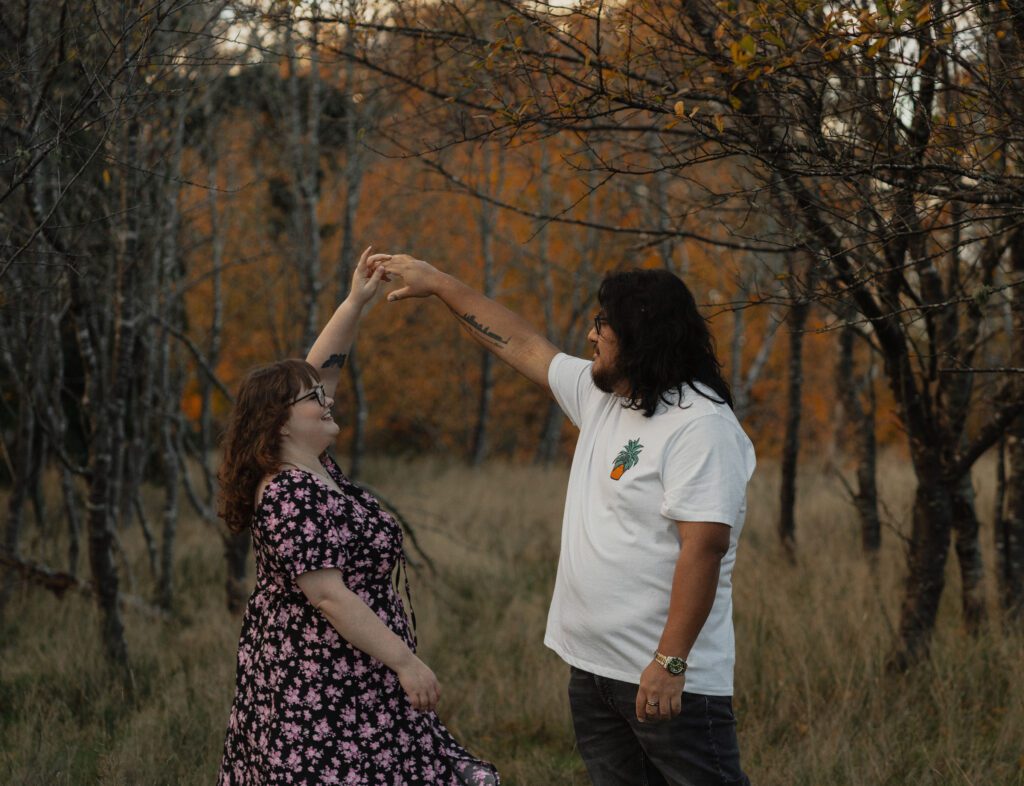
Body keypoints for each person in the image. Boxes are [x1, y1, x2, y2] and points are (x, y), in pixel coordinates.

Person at [380, 256, 755, 786]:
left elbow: (704, 548)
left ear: (641, 336)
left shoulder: (701, 426)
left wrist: (670, 664)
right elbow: (520, 344)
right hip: (595, 670)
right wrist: (440, 284)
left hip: (664, 680)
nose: (591, 334)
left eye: (604, 324)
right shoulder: (608, 396)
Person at [216, 247, 499, 786]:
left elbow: (320, 368)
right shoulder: (289, 493)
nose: (327, 400)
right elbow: (329, 596)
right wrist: (406, 662)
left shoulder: (316, 468)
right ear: (280, 423)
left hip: (354, 672)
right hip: (318, 684)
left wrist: (354, 303)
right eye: (313, 399)